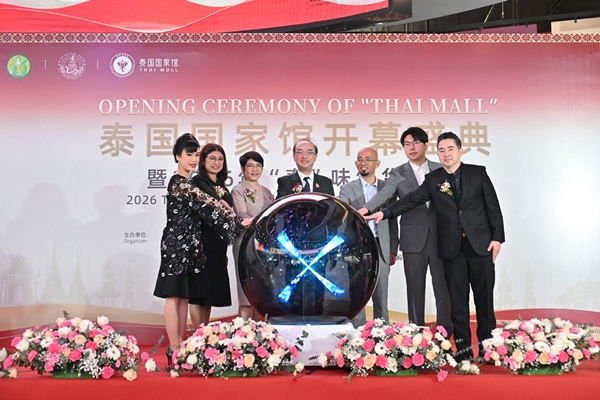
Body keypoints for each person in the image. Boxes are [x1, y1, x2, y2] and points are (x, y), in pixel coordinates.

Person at [365, 131, 504, 361]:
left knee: (484, 302)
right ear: (437, 154)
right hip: (452, 249)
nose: (446, 154)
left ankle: (488, 350)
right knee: (457, 304)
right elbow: (411, 200)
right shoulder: (434, 179)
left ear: (460, 151)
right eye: (442, 150)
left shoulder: (477, 173)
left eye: (450, 149)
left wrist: (497, 237)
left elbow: (493, 207)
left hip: (481, 246)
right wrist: (385, 213)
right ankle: (464, 352)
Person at [153, 134, 247, 363]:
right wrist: (234, 217)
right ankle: (173, 346)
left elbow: (208, 209)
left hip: (193, 244)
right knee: (173, 295)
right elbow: (208, 202)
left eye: (196, 154)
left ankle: (181, 345)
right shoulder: (179, 182)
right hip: (177, 244)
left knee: (184, 297)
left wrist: (230, 217)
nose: (194, 159)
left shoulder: (190, 182)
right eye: (189, 154)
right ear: (178, 156)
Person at [359, 127, 452, 335]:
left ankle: (445, 336)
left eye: (416, 142)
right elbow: (384, 195)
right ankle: (417, 337)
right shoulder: (398, 173)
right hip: (413, 239)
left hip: (442, 238)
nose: (411, 147)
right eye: (407, 144)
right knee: (415, 291)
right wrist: (365, 210)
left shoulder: (441, 168)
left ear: (426, 145)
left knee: (444, 290)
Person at [339, 147, 399, 327]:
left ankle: (382, 336)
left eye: (367, 159)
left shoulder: (387, 188)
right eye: (359, 159)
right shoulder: (346, 189)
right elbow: (343, 219)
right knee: (358, 295)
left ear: (377, 163)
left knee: (381, 297)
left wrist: (393, 249)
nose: (363, 162)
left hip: (382, 248)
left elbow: (393, 221)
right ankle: (357, 337)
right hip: (358, 248)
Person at [189, 143, 237, 327]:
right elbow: (217, 203)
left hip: (217, 245)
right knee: (198, 293)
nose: (216, 162)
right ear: (203, 161)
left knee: (209, 293)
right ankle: (196, 334)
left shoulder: (221, 185)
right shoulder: (199, 181)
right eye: (212, 158)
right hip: (203, 242)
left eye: (220, 159)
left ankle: (204, 333)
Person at [231, 151, 275, 320]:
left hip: (263, 245)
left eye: (258, 166)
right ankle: (244, 332)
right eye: (250, 166)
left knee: (261, 291)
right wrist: (262, 219)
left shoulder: (267, 191)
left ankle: (260, 332)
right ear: (243, 169)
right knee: (245, 292)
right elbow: (242, 214)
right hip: (245, 243)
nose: (255, 169)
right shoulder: (238, 190)